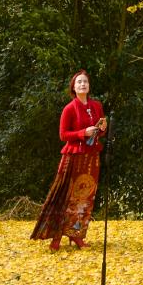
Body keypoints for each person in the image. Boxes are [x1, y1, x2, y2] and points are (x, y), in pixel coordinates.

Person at [31, 70, 108, 251]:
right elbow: (63, 135)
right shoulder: (69, 108)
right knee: (65, 196)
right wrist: (83, 133)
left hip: (91, 157)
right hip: (73, 157)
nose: (83, 84)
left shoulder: (97, 106)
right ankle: (56, 236)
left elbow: (100, 132)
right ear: (73, 87)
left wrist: (102, 129)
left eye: (85, 82)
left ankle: (77, 235)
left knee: (85, 198)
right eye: (79, 82)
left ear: (89, 86)